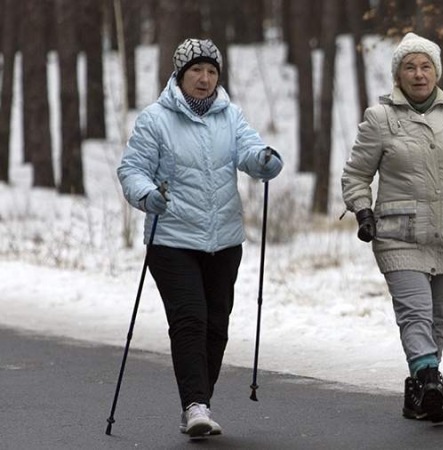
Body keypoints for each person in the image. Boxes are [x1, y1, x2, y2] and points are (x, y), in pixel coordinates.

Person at [117, 38, 283, 439]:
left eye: (211, 72)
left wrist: (264, 160)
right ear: (180, 74)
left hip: (223, 240)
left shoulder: (230, 116)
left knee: (216, 324)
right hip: (171, 238)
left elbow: (248, 150)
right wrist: (147, 195)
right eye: (197, 71)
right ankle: (195, 406)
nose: (205, 79)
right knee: (189, 319)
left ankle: (198, 402)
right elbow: (131, 170)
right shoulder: (155, 119)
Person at [340, 32, 443, 423]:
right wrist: (363, 211)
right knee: (415, 313)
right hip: (398, 235)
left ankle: (419, 390)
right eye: (410, 67)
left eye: (425, 66)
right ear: (398, 75)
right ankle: (431, 379)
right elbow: (355, 176)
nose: (418, 74)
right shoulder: (379, 119)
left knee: (438, 318)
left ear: (437, 72)